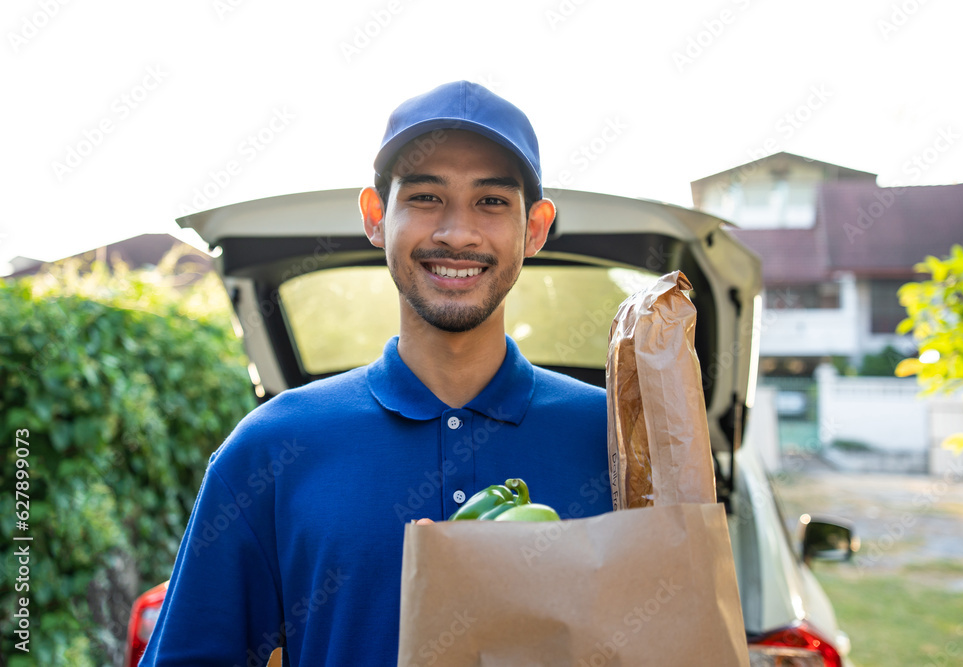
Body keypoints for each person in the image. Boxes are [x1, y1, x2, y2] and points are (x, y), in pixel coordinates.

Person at [140, 81, 613, 666]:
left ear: (535, 228)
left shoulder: (612, 440)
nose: (457, 233)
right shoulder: (272, 448)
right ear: (374, 216)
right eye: (425, 197)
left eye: (491, 202)